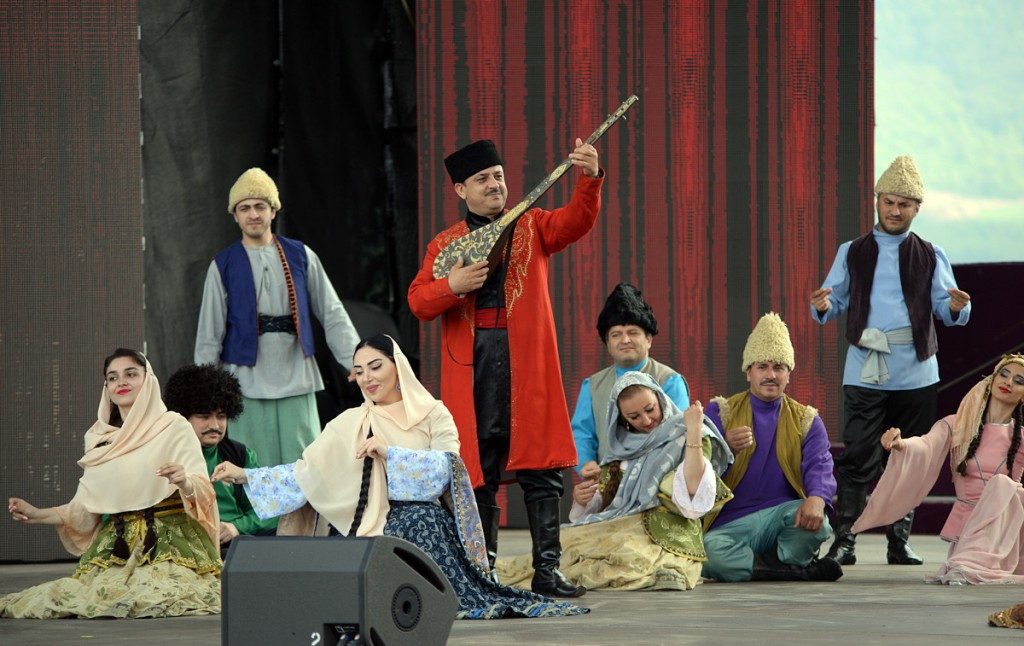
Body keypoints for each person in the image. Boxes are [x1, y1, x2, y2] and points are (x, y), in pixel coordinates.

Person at [211, 335, 587, 619]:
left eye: (375, 366)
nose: (367, 378)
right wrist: (246, 476)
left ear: (397, 366)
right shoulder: (349, 421)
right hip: (362, 520)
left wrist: (391, 454)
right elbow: (307, 474)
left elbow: (447, 469)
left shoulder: (434, 414)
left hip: (418, 516)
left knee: (420, 521)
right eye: (359, 371)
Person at [407, 138, 603, 597]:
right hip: (474, 368)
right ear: (461, 190)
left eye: (498, 176)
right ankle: (484, 573)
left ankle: (547, 571)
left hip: (526, 366)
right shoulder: (446, 244)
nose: (494, 184)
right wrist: (452, 284)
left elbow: (575, 221)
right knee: (482, 472)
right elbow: (418, 301)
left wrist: (590, 177)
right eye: (482, 179)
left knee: (542, 472)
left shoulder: (531, 223)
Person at [810, 154, 972, 566]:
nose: (895, 211)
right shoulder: (851, 252)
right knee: (857, 455)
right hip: (864, 370)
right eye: (889, 202)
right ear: (876, 201)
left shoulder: (931, 254)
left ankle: (899, 542)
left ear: (917, 208)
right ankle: (846, 540)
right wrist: (823, 306)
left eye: (904, 204)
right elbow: (834, 300)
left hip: (916, 373)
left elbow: (945, 307)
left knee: (910, 459)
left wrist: (956, 307)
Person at [2, 349, 220, 619]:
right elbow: (84, 509)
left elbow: (202, 488)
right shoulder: (100, 439)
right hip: (118, 543)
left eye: (131, 374)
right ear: (107, 387)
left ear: (148, 380)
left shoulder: (174, 426)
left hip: (168, 542)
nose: (121, 382)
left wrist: (184, 481)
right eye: (113, 378)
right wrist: (37, 514)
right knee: (90, 597)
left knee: (160, 594)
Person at [497, 372, 731, 590]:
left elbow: (693, 490)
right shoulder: (622, 446)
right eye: (634, 416)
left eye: (650, 409)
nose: (646, 420)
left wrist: (693, 431)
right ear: (622, 418)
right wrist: (585, 499)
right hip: (621, 522)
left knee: (628, 556)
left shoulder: (689, 432)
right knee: (565, 546)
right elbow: (609, 498)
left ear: (660, 399)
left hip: (667, 531)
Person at [195, 167, 360, 467]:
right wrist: (207, 388)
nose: (253, 214)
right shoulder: (223, 265)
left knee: (305, 460)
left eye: (260, 206)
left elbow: (332, 311)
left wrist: (355, 362)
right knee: (252, 461)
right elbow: (210, 331)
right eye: (245, 208)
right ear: (235, 216)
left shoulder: (301, 255)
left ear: (273, 211)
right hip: (245, 377)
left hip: (296, 371)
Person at [852, 354, 1024, 584]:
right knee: (963, 567)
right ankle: (969, 563)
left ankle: (974, 564)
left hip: (1005, 529)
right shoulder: (958, 424)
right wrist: (901, 444)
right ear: (992, 380)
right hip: (968, 528)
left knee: (1004, 484)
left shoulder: (1021, 437)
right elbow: (926, 444)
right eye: (1004, 374)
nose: (1008, 382)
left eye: (1019, 381)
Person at [701, 313, 842, 582]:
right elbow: (695, 471)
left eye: (779, 367)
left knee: (819, 523)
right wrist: (724, 448)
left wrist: (817, 499)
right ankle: (795, 570)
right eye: (762, 366)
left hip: (784, 518)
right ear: (748, 372)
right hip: (731, 524)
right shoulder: (721, 412)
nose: (771, 375)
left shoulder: (806, 420)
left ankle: (759, 567)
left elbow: (820, 465)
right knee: (706, 553)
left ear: (789, 374)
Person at [572, 283, 690, 480]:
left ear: (649, 339)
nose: (625, 340)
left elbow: (679, 436)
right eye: (616, 334)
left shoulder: (670, 381)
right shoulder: (592, 386)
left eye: (632, 332)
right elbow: (581, 435)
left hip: (660, 484)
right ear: (608, 343)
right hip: (608, 485)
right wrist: (586, 463)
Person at [163, 363, 278, 555]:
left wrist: (236, 527)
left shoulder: (240, 454)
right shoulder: (166, 455)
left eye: (221, 416)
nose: (215, 425)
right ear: (183, 416)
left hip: (238, 544)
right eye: (204, 416)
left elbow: (270, 510)